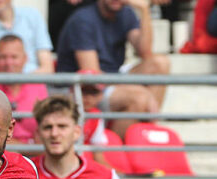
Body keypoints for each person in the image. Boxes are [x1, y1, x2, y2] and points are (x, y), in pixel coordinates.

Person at [55, 0, 170, 138]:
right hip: (80, 89)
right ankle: (114, 147)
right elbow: (93, 75)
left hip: (111, 77)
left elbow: (145, 52)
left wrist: (145, 10)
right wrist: (144, 94)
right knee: (138, 98)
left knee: (160, 63)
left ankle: (145, 137)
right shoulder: (82, 19)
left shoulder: (126, 13)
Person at [0, 34, 48, 143]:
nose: (9, 63)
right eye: (3, 57)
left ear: (25, 58)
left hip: (33, 154)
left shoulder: (37, 85)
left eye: (14, 57)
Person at [0, 0, 55, 73]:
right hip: (2, 88)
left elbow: (48, 68)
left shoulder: (33, 15)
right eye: (3, 57)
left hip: (36, 86)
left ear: (25, 57)